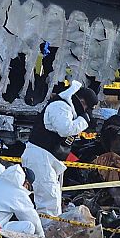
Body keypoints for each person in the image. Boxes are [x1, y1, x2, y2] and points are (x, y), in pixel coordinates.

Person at [22, 82, 98, 216]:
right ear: (80, 100)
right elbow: (65, 129)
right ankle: (46, 231)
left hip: (50, 159)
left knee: (54, 198)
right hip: (41, 156)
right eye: (86, 106)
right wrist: (84, 120)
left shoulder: (68, 110)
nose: (85, 111)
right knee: (48, 200)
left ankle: (52, 228)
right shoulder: (60, 106)